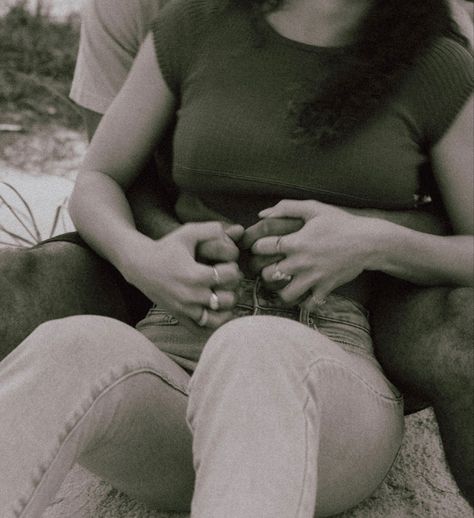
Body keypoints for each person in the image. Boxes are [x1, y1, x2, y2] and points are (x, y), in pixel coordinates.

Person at [0, 0, 472, 516]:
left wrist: (370, 241)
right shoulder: (192, 28)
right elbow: (99, 177)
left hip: (327, 387)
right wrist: (144, 257)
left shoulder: (436, 65)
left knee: (255, 348)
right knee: (69, 344)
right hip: (169, 371)